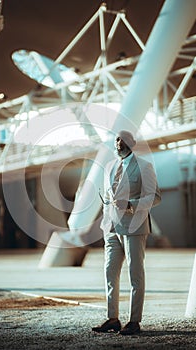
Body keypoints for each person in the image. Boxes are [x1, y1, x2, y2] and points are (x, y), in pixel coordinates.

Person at [92, 130, 161, 335]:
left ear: (131, 143)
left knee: (135, 275)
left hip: (134, 227)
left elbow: (155, 197)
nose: (117, 143)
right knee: (110, 273)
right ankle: (112, 318)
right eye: (116, 140)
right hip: (112, 228)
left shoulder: (144, 166)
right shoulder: (110, 166)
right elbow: (107, 196)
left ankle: (134, 321)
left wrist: (131, 205)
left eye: (121, 140)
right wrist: (106, 221)